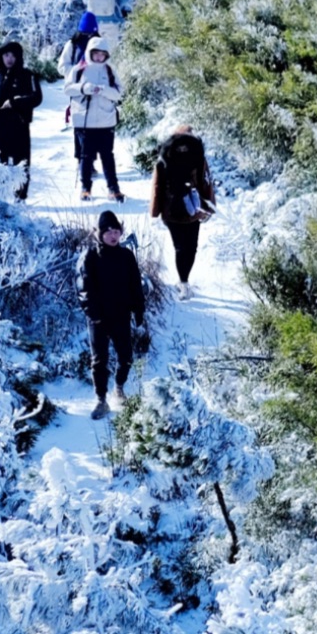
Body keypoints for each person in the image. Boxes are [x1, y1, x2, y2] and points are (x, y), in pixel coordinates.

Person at [80, 209, 146, 418]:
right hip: (98, 319)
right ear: (99, 233)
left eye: (116, 230)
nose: (113, 235)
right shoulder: (90, 256)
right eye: (108, 231)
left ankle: (119, 388)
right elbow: (83, 289)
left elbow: (136, 285)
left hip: (121, 315)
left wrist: (138, 311)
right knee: (99, 360)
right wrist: (94, 314)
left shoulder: (126, 256)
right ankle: (101, 399)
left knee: (126, 357)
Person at [149, 125, 215, 298]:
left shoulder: (165, 156)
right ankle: (184, 281)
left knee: (182, 247)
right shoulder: (197, 156)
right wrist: (209, 206)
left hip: (171, 210)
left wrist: (155, 211)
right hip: (193, 208)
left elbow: (157, 186)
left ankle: (183, 282)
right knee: (189, 247)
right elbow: (205, 182)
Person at [0, 40, 42, 200]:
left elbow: (36, 97)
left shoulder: (27, 75)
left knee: (22, 164)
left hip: (19, 126)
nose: (10, 59)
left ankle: (20, 198)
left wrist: (15, 102)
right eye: (6, 55)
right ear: (1, 56)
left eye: (13, 55)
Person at [68, 34, 124, 202]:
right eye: (96, 53)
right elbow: (68, 89)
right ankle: (86, 188)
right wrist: (85, 88)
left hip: (106, 121)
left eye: (102, 54)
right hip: (84, 122)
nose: (99, 57)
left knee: (108, 156)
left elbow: (119, 93)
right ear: (89, 53)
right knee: (86, 157)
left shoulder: (110, 70)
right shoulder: (78, 69)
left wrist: (104, 90)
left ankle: (113, 189)